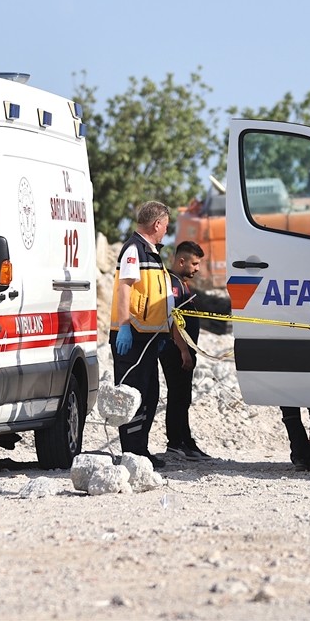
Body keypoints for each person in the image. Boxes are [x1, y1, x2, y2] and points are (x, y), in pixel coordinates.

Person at [109, 201, 174, 469]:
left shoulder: (151, 253)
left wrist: (160, 333)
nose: (166, 233)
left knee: (149, 394)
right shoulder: (134, 250)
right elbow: (126, 288)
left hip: (148, 337)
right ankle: (132, 452)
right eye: (166, 227)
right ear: (157, 224)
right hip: (132, 337)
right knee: (131, 395)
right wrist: (124, 326)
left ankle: (141, 450)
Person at [160, 240, 213, 461]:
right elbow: (173, 321)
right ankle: (177, 442)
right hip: (175, 351)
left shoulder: (180, 283)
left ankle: (185, 439)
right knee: (178, 395)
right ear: (181, 261)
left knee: (183, 396)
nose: (197, 268)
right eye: (194, 263)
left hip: (183, 351)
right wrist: (183, 350)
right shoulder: (172, 284)